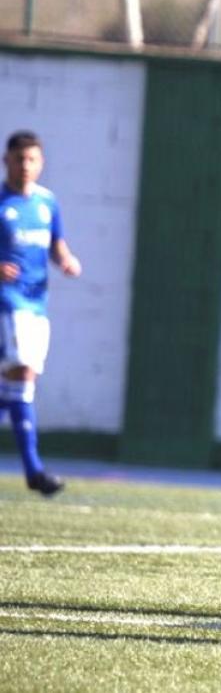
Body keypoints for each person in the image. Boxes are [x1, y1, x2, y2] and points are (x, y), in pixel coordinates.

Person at [1, 130, 82, 497]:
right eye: (19, 158)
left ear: (41, 163)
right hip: (8, 302)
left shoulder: (48, 203)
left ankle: (34, 469)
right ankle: (34, 470)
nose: (25, 166)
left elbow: (56, 244)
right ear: (7, 161)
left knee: (14, 385)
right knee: (23, 374)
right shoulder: (2, 203)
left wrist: (66, 260)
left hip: (37, 304)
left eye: (32, 159)